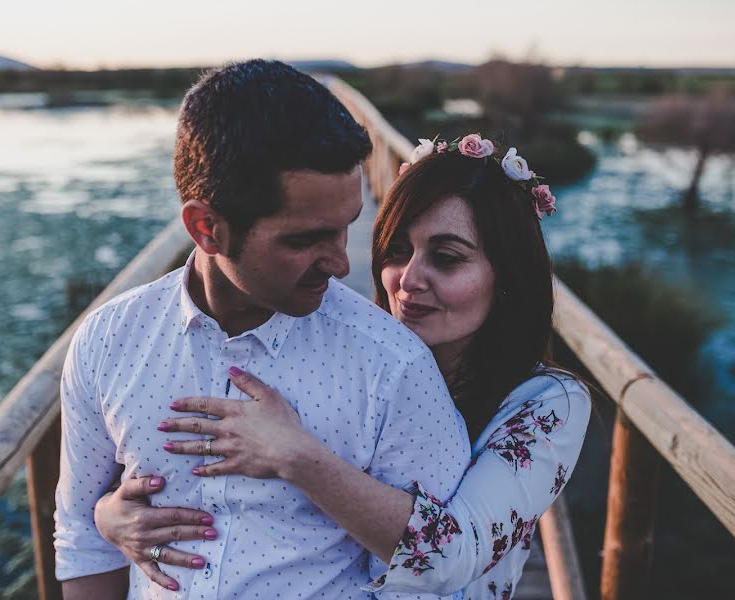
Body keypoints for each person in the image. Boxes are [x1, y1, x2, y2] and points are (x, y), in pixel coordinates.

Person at [95, 135, 591, 599]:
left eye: (446, 258)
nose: (407, 280)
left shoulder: (548, 404)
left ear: (507, 276)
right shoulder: (357, 358)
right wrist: (110, 517)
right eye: (397, 251)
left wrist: (294, 455)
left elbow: (451, 554)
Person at [53, 60, 472, 600]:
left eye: (347, 228)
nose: (343, 263)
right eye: (305, 240)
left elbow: (447, 565)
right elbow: (83, 535)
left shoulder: (392, 363)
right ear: (207, 228)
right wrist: (109, 521)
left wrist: (301, 461)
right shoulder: (108, 341)